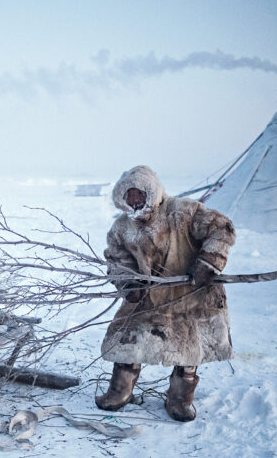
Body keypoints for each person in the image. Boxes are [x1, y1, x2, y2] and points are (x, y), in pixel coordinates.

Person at [96, 166, 236, 422]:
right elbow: (117, 257)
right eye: (130, 197)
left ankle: (179, 400)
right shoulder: (122, 228)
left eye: (140, 195)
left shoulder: (184, 211)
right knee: (126, 337)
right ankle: (120, 392)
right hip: (149, 295)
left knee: (189, 348)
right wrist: (129, 284)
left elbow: (221, 229)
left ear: (152, 192)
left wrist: (208, 263)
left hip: (193, 294)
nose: (136, 202)